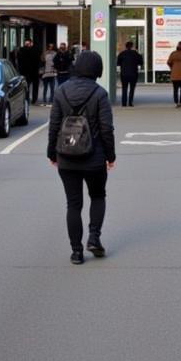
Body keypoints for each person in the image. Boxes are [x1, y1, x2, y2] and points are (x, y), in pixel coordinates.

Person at [47, 49, 116, 265]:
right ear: (97, 69)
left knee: (73, 204)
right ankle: (94, 238)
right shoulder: (99, 94)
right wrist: (110, 155)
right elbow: (106, 128)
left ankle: (76, 251)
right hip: (94, 157)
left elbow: (54, 125)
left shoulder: (61, 91)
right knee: (97, 196)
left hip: (66, 156)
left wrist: (51, 152)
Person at [116, 40, 144, 107]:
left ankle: (124, 103)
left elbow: (118, 63)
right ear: (132, 46)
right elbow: (141, 62)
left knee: (124, 88)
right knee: (132, 88)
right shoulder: (136, 54)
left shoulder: (122, 54)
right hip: (133, 73)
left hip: (124, 74)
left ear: (126, 46)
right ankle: (130, 103)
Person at [16, 38, 41, 104]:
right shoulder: (35, 50)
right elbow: (38, 60)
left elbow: (18, 60)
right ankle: (34, 100)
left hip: (25, 72)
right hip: (34, 71)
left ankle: (26, 99)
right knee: (35, 87)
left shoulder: (21, 51)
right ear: (30, 43)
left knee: (26, 87)